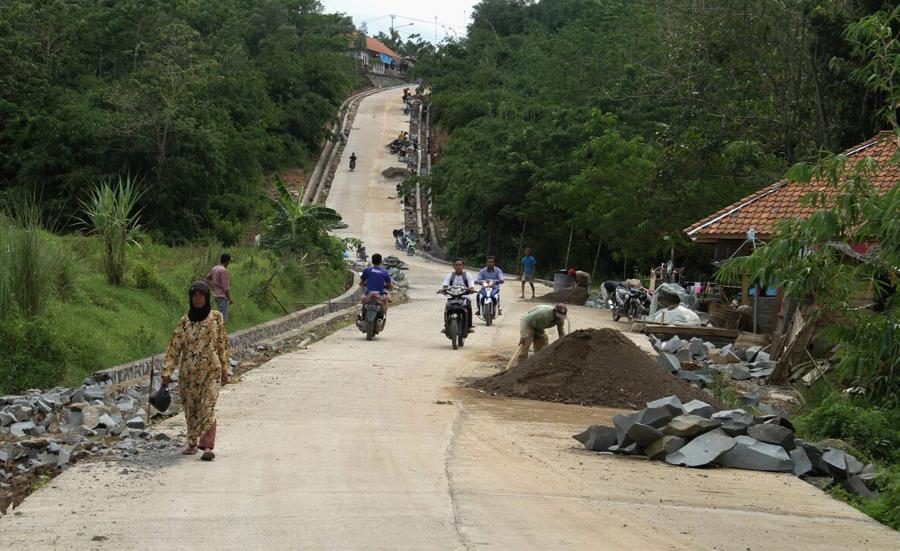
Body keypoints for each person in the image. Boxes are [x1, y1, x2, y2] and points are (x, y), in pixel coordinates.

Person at [162, 281, 228, 461]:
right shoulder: (184, 322)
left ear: (206, 297)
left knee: (207, 406)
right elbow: (174, 348)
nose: (198, 298)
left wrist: (225, 368)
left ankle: (207, 445)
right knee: (191, 408)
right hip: (189, 374)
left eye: (201, 295)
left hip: (211, 372)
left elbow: (222, 344)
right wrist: (167, 371)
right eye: (194, 295)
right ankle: (192, 442)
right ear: (190, 298)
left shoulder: (216, 318)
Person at [440, 259, 476, 332]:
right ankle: (446, 326)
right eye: (456, 265)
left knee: (468, 306)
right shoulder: (449, 275)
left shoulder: (467, 275)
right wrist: (443, 290)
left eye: (460, 265)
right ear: (453, 266)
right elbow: (445, 286)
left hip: (465, 297)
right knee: (447, 308)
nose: (458, 266)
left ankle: (469, 326)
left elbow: (471, 286)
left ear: (463, 266)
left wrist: (471, 290)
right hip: (452, 296)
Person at [206, 253, 233, 323]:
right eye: (229, 262)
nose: (228, 264)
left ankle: (217, 332)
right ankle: (221, 333)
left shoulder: (214, 268)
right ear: (227, 261)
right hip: (223, 297)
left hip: (216, 296)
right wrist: (230, 299)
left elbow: (208, 278)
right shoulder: (223, 270)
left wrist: (213, 287)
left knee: (218, 317)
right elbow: (225, 288)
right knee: (222, 319)